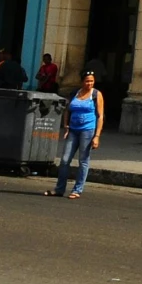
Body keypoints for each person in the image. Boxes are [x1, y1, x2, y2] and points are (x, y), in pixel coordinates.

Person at [51, 70, 102, 198]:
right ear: (82, 81)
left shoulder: (96, 94)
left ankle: (77, 190)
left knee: (83, 160)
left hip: (88, 130)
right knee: (64, 160)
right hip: (73, 130)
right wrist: (66, 127)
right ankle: (59, 189)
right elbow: (67, 111)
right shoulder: (75, 93)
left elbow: (100, 116)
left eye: (92, 81)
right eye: (87, 81)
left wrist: (97, 136)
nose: (89, 83)